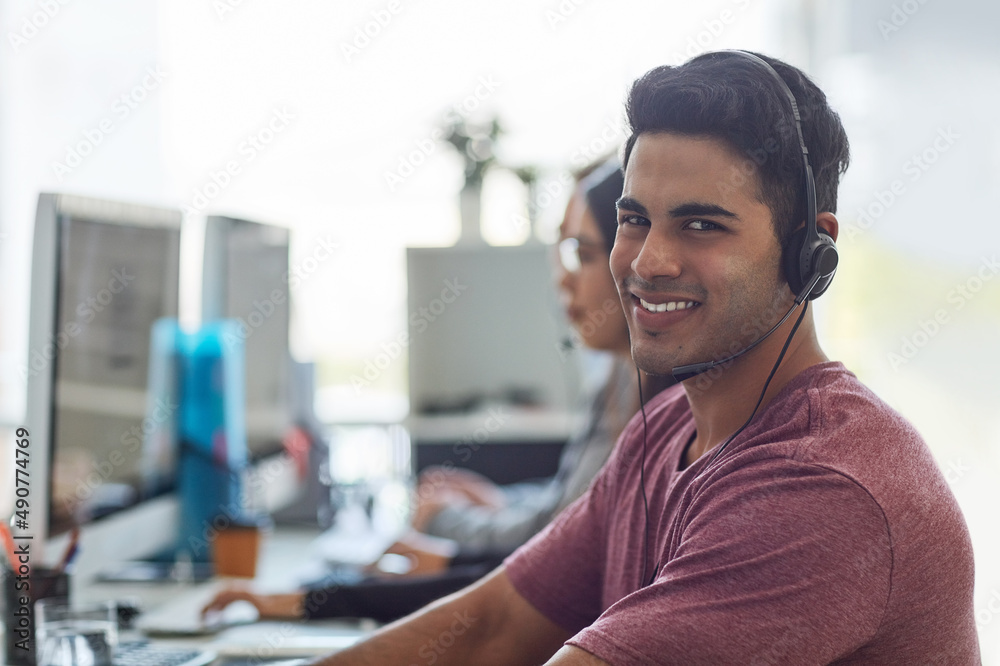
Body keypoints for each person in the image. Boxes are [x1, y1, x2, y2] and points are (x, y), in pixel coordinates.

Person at [310, 50, 980, 665]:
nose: (647, 262)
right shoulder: (663, 433)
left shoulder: (825, 490)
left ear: (810, 251)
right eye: (635, 220)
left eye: (701, 224)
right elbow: (493, 628)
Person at [202, 159, 673, 623]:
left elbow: (552, 562)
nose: (562, 279)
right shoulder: (622, 386)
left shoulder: (659, 414)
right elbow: (568, 526)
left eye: (582, 254)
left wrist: (436, 538)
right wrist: (498, 507)